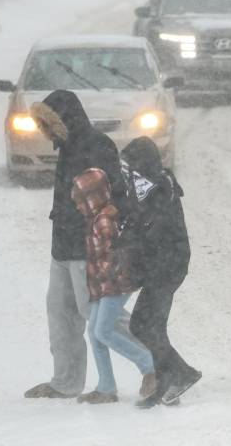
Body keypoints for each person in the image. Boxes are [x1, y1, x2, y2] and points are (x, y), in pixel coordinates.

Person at [23, 90, 135, 399]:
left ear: (62, 121)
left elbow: (114, 197)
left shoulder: (97, 145)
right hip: (62, 246)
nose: (43, 132)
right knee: (60, 313)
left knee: (102, 316)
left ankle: (162, 363)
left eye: (46, 125)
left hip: (87, 248)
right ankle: (65, 382)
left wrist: (102, 237)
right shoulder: (67, 147)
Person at [121, 137, 201, 408]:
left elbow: (151, 230)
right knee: (150, 325)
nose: (129, 169)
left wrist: (127, 239)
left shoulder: (158, 189)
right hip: (161, 265)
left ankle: (182, 374)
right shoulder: (150, 186)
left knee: (142, 324)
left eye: (132, 163)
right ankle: (168, 383)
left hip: (167, 265)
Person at [71, 168, 155, 404]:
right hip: (104, 287)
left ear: (92, 198)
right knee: (95, 333)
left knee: (103, 331)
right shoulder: (95, 218)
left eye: (81, 201)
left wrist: (111, 279)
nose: (78, 207)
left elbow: (117, 256)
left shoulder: (105, 220)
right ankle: (106, 387)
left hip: (116, 285)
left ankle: (150, 366)